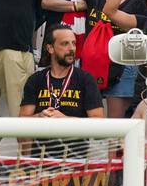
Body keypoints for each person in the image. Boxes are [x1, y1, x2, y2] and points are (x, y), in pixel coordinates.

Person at [19, 25, 105, 156]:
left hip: (75, 162)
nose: (71, 49)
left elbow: (99, 124)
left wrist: (65, 120)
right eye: (65, 44)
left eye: (74, 43)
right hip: (41, 161)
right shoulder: (36, 80)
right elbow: (21, 125)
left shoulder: (85, 79)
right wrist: (39, 117)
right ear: (50, 48)